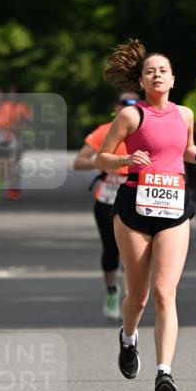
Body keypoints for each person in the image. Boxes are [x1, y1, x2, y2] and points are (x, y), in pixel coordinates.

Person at [95, 38, 196, 391]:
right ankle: (129, 336)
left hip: (174, 205)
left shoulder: (184, 114)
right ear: (142, 80)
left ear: (172, 78)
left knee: (166, 292)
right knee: (139, 294)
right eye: (150, 71)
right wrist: (126, 160)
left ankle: (164, 371)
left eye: (163, 70)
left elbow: (185, 150)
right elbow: (103, 157)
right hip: (135, 205)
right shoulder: (132, 115)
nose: (157, 76)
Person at [73, 90, 139, 320]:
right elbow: (79, 161)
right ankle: (112, 291)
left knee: (132, 251)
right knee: (111, 249)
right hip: (107, 197)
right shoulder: (104, 131)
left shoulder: (144, 131)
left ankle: (128, 300)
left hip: (135, 196)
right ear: (116, 107)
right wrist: (102, 163)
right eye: (124, 103)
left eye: (134, 103)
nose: (129, 106)